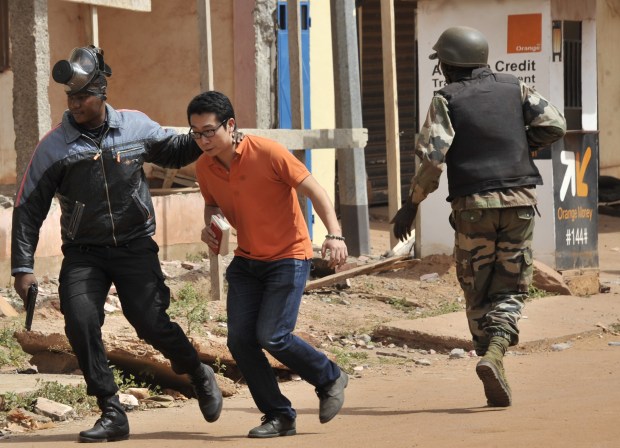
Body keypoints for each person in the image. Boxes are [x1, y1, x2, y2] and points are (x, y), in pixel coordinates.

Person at [11, 46, 223, 443]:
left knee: (150, 322)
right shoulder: (54, 146)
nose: (74, 104)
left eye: (82, 97)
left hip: (134, 245)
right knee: (80, 320)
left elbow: (175, 152)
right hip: (84, 252)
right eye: (70, 98)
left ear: (101, 92)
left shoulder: (136, 127)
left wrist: (208, 135)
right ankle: (111, 410)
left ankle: (196, 371)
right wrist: (22, 267)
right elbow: (28, 207)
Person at [391, 26, 566, 407]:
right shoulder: (514, 87)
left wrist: (412, 203)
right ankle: (496, 355)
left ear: (450, 65)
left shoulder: (446, 99)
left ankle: (490, 354)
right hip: (519, 203)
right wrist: (521, 143)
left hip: (473, 207)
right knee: (511, 288)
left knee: (477, 289)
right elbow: (555, 124)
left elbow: (432, 157)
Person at [187, 90, 349, 438]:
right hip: (247, 263)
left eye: (209, 131)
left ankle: (330, 377)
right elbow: (212, 204)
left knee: (272, 335)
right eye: (196, 133)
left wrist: (334, 235)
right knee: (240, 341)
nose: (203, 140)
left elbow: (315, 191)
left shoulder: (268, 152)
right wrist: (211, 228)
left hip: (288, 258)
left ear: (230, 125)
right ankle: (279, 415)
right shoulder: (204, 166)